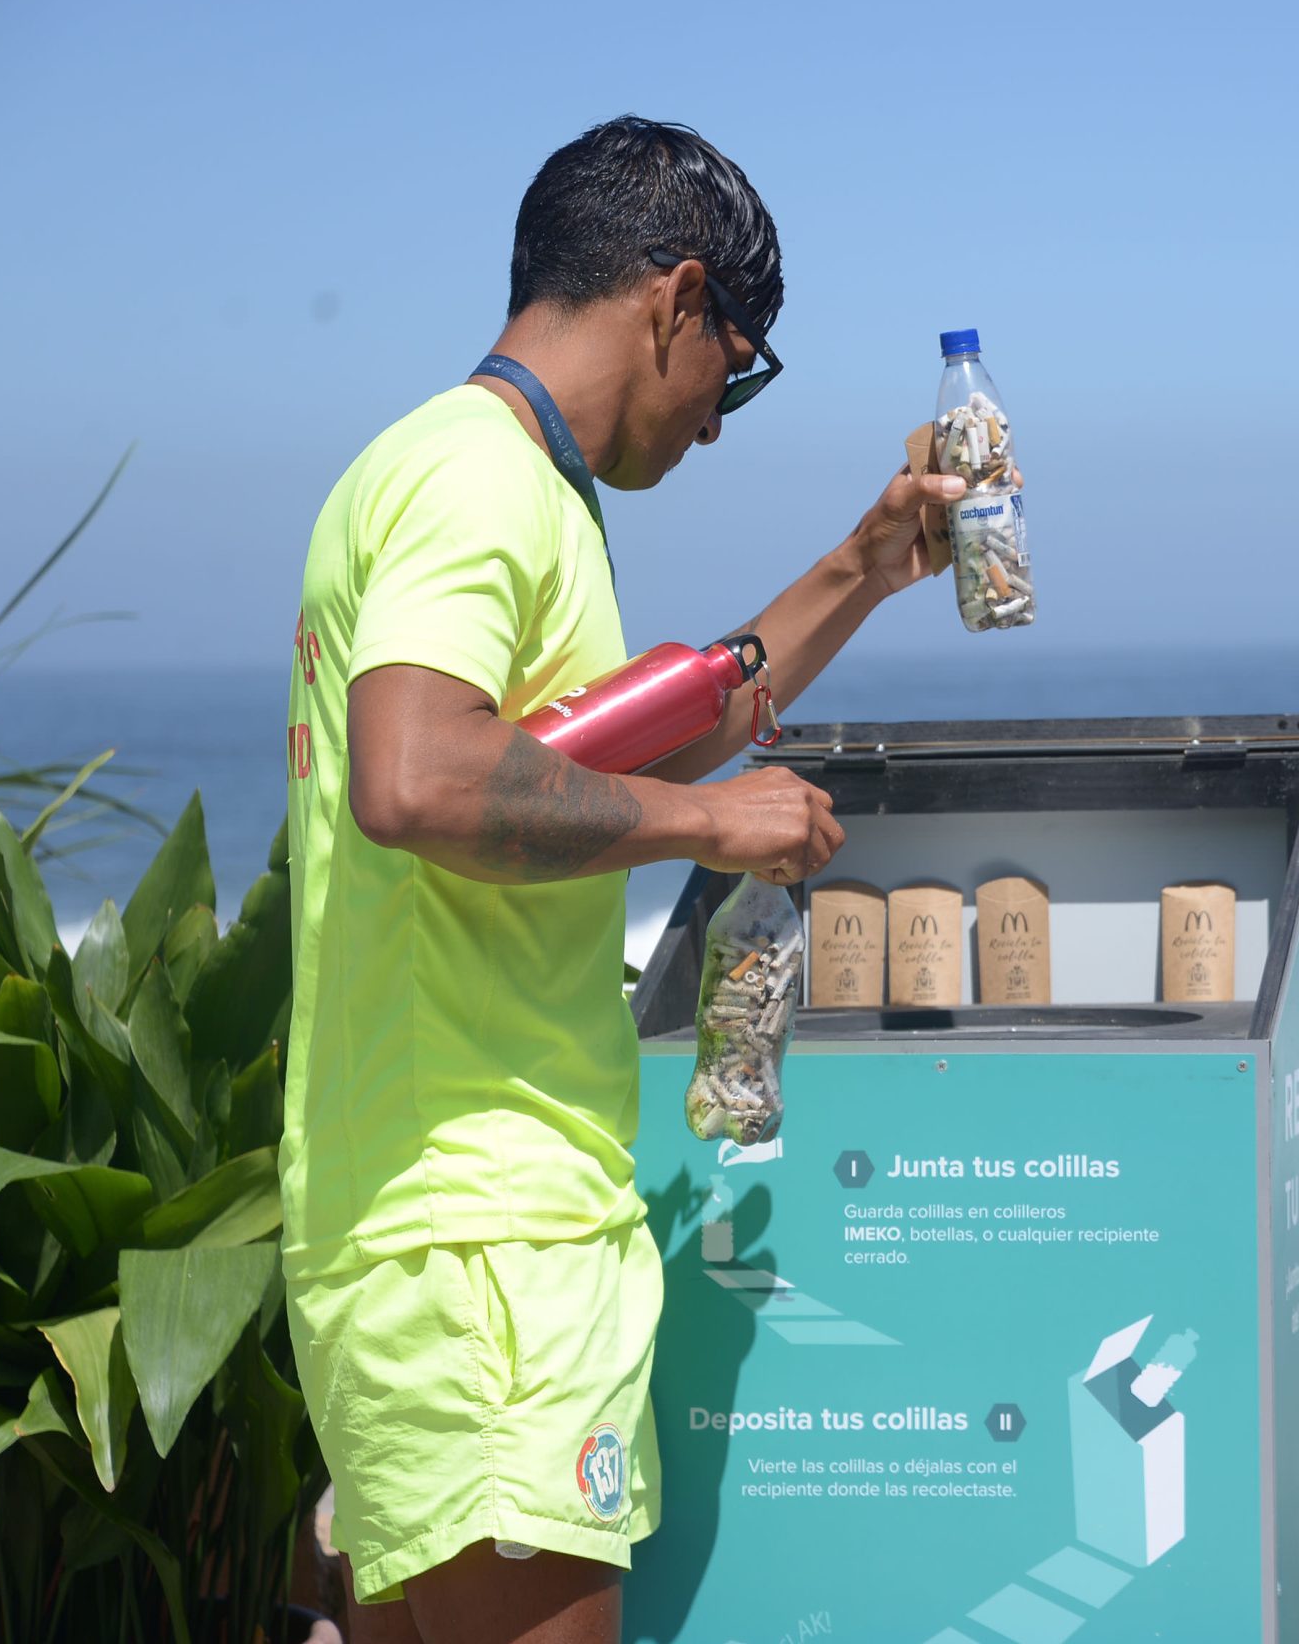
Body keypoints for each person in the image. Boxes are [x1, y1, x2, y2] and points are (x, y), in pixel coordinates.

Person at [280, 117, 973, 1644]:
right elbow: (424, 776)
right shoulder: (479, 481)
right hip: (486, 1238)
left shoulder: (464, 472)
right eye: (739, 363)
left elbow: (606, 742)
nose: (722, 419)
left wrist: (865, 564)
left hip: (422, 1219)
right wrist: (708, 829)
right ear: (675, 299)